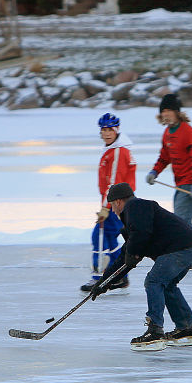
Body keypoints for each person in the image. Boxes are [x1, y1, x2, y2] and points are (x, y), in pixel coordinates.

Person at [91, 182, 192, 351]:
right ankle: (185, 329)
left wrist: (133, 253)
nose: (113, 210)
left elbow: (139, 238)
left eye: (113, 205)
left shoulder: (136, 206)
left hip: (182, 247)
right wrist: (104, 283)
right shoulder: (135, 217)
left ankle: (155, 331)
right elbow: (126, 255)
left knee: (154, 281)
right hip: (190, 246)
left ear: (119, 202)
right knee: (167, 285)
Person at [145, 93, 192, 267]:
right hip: (181, 183)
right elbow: (164, 157)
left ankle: (191, 258)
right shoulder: (167, 133)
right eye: (163, 111)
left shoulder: (188, 132)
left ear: (177, 112)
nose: (166, 114)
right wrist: (154, 172)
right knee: (182, 220)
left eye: (169, 111)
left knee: (181, 220)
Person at [79, 112, 136, 293]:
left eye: (110, 129)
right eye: (103, 129)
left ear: (117, 130)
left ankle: (99, 278)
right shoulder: (113, 149)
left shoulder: (118, 151)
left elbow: (114, 183)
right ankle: (119, 276)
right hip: (116, 203)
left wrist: (105, 208)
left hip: (116, 204)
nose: (106, 133)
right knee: (110, 239)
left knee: (99, 237)